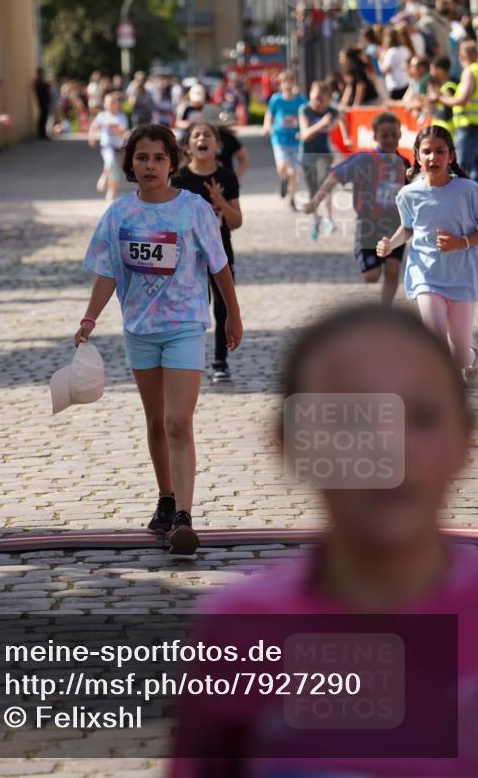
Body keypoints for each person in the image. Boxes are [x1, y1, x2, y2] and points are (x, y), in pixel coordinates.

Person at [170, 303, 478, 776]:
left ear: (465, 440)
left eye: (420, 417)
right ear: (291, 445)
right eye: (351, 420)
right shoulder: (239, 633)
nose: (388, 448)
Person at [76, 124, 242, 555]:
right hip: (140, 331)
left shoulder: (193, 209)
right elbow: (108, 271)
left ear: (173, 162)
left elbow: (219, 265)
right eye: (141, 158)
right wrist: (89, 318)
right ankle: (166, 498)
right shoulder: (118, 214)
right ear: (130, 163)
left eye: (159, 158)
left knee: (176, 421)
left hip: (185, 326)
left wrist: (232, 315)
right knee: (154, 421)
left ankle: (185, 515)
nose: (150, 166)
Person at [377, 125, 478, 385]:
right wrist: (391, 243)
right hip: (426, 275)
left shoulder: (468, 190)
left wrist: (461, 242)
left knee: (460, 357)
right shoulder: (408, 194)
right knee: (434, 336)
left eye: (440, 151)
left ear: (452, 156)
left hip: (462, 277)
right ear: (417, 157)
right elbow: (408, 227)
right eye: (427, 152)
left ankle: (472, 357)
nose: (434, 157)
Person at [304, 112, 409, 305]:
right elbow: (335, 176)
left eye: (393, 135)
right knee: (371, 275)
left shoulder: (405, 164)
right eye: (384, 135)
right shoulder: (364, 159)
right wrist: (315, 202)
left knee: (393, 270)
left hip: (395, 224)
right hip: (368, 222)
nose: (389, 139)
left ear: (400, 135)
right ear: (375, 137)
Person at [172, 120, 242, 384]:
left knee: (223, 306)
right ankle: (192, 360)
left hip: (221, 252)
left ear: (217, 145)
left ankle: (220, 362)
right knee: (194, 309)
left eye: (208, 135)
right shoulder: (179, 178)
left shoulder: (226, 177)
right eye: (196, 135)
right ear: (189, 146)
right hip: (187, 257)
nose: (202, 138)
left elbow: (236, 221)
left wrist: (220, 201)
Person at [427, 39, 478, 181]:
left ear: (461, 56)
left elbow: (462, 100)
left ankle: (464, 201)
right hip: (473, 128)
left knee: (460, 169)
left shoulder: (470, 71)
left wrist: (439, 99)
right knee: (474, 169)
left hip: (469, 128)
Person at [298, 80, 339, 238]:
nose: (317, 102)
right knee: (312, 188)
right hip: (307, 154)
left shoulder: (332, 111)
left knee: (326, 186)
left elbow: (335, 124)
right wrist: (321, 124)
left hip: (324, 153)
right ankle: (316, 219)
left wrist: (329, 126)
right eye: (314, 98)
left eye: (321, 99)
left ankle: (329, 218)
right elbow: (306, 135)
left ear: (328, 99)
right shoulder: (305, 109)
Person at [262, 69, 305, 211]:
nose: (286, 85)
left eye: (289, 82)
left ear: (294, 83)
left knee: (294, 172)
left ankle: (292, 198)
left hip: (296, 140)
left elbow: (308, 115)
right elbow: (269, 114)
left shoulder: (301, 100)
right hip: (279, 138)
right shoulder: (276, 99)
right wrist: (267, 126)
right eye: (283, 82)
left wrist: (305, 131)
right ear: (280, 85)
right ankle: (283, 178)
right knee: (282, 167)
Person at [87, 92, 127, 202]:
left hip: (119, 147)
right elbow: (93, 126)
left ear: (117, 104)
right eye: (108, 103)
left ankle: (112, 190)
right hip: (107, 145)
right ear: (105, 104)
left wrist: (115, 128)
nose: (110, 105)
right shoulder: (102, 116)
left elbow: (124, 132)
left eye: (112, 103)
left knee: (114, 170)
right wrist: (92, 137)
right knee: (110, 162)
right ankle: (105, 178)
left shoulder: (121, 116)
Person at [379, 27, 410, 100]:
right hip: (405, 81)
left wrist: (380, 59)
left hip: (396, 84)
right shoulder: (404, 49)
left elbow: (385, 69)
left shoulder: (391, 52)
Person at [33, 67, 51, 140]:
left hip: (44, 102)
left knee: (44, 117)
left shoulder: (41, 82)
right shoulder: (38, 82)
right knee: (43, 118)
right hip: (42, 102)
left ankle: (43, 133)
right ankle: (41, 133)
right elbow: (41, 91)